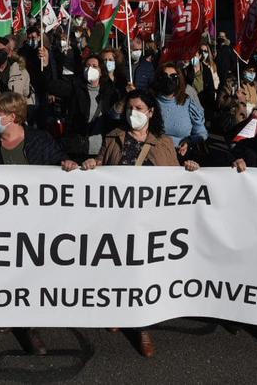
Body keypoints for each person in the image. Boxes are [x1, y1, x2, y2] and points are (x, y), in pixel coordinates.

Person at [80, 89, 193, 358]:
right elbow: (103, 166)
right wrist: (91, 164)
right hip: (118, 219)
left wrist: (189, 170)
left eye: (140, 108)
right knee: (117, 267)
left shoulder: (164, 143)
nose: (134, 114)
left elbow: (175, 178)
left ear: (151, 113)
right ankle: (117, 310)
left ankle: (142, 327)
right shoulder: (114, 139)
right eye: (131, 108)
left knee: (144, 273)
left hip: (151, 221)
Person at [0, 91, 66, 355]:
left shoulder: (40, 141)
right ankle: (6, 313)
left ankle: (29, 327)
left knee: (30, 273)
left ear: (13, 116)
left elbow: (59, 168)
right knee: (3, 270)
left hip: (35, 222)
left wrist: (67, 165)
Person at [40, 47, 119, 164]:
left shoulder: (109, 91)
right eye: (87, 66)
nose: (90, 69)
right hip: (77, 149)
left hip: (100, 151)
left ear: (101, 71)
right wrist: (46, 65)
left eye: (94, 66)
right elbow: (51, 85)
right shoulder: (75, 87)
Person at [152, 63, 207, 159]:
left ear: (179, 79)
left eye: (173, 76)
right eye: (165, 76)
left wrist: (189, 141)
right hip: (157, 155)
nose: (169, 80)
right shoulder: (150, 102)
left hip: (183, 156)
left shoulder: (187, 102)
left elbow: (202, 133)